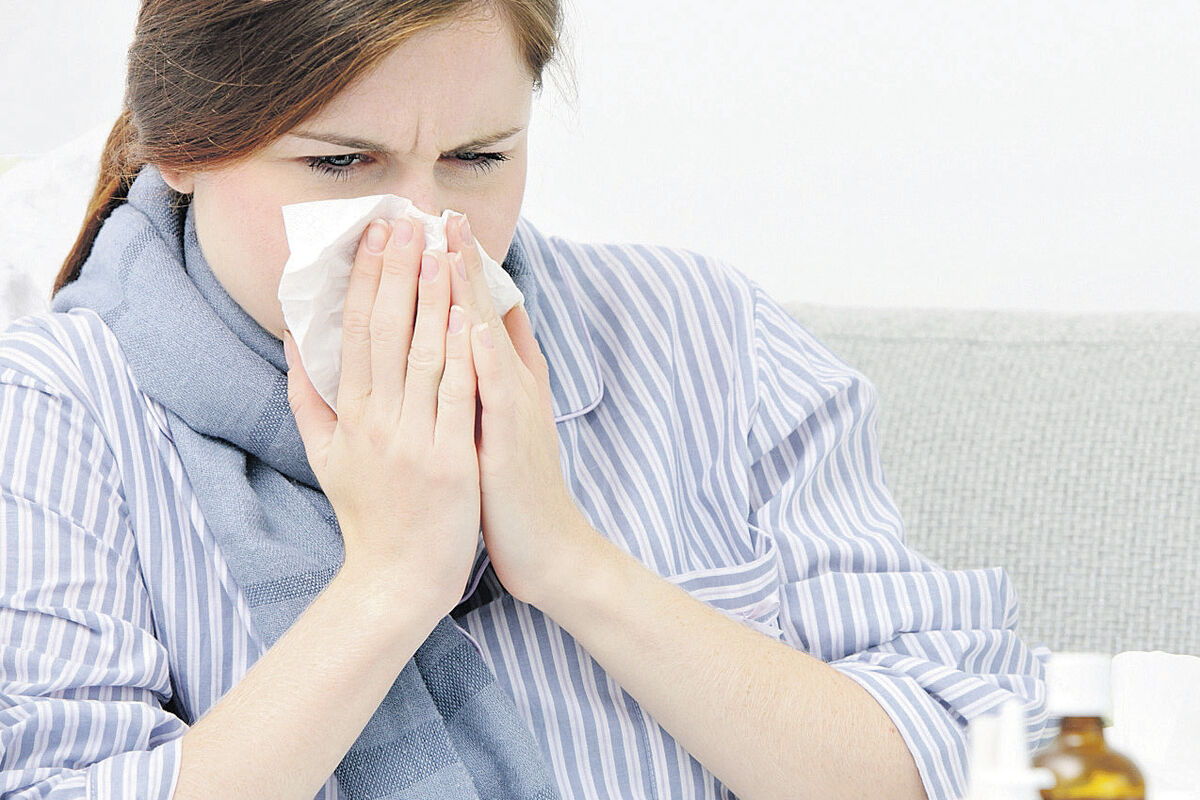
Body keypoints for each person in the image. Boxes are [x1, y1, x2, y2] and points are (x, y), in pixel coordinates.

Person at [0, 1, 1048, 798]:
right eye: (341, 162)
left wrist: (569, 561)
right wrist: (392, 583)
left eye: (477, 159)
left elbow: (979, 749)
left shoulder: (705, 333)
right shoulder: (56, 414)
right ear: (180, 150)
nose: (422, 230)